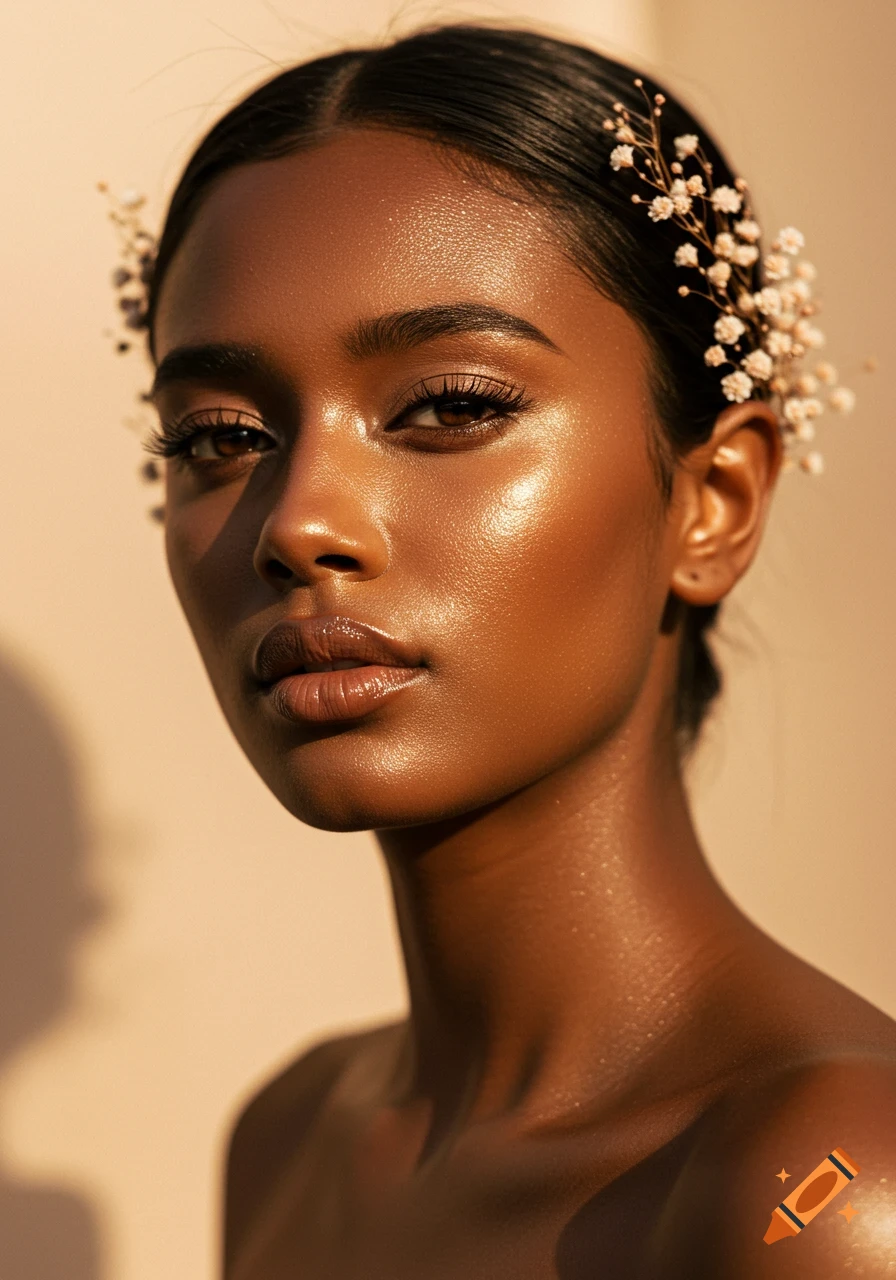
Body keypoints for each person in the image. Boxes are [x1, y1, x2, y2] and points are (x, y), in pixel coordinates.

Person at [130, 22, 896, 1278]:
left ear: (713, 501)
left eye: (451, 406)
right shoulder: (289, 1137)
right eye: (217, 434)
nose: (299, 519)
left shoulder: (817, 1189)